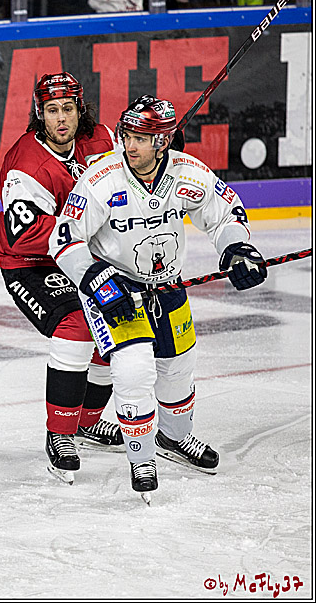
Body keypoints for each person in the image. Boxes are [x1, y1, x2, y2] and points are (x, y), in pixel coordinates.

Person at [49, 95, 267, 496]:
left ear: (162, 142)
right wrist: (96, 277)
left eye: (139, 138)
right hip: (117, 290)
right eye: (127, 134)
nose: (128, 145)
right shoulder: (102, 177)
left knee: (178, 369)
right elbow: (64, 238)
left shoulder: (187, 174)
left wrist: (236, 248)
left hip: (169, 288)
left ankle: (172, 438)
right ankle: (141, 458)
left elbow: (225, 213)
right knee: (133, 372)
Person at [0, 72, 124, 483]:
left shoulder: (101, 139)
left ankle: (86, 421)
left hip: (83, 254)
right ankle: (61, 433)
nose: (62, 118)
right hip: (30, 262)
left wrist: (158, 150)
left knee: (116, 318)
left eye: (68, 108)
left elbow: (130, 174)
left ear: (79, 109)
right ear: (40, 114)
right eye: (52, 110)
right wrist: (84, 235)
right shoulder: (26, 165)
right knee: (79, 323)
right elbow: (24, 232)